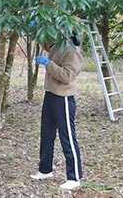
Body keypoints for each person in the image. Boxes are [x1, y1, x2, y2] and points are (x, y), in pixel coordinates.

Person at [30, 31, 83, 190]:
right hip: (51, 94)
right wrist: (36, 30)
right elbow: (46, 42)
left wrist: (48, 63)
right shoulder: (59, 44)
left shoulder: (72, 51)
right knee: (46, 134)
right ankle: (45, 170)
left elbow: (67, 76)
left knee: (67, 137)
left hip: (64, 98)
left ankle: (74, 177)